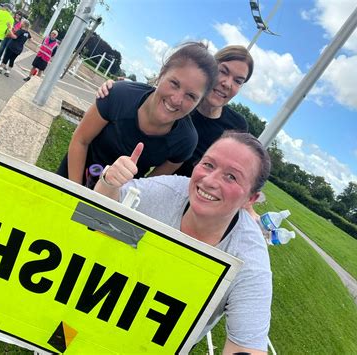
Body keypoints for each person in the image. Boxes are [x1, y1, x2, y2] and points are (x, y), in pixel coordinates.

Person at [95, 131, 272, 354]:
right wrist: (109, 182)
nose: (209, 181)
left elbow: (247, 346)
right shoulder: (165, 191)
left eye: (231, 177)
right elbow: (96, 219)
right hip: (102, 308)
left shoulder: (250, 260)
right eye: (208, 165)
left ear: (250, 199)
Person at [57, 42, 218, 188]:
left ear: (200, 102)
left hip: (117, 198)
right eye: (174, 83)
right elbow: (80, 141)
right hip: (73, 177)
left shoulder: (185, 140)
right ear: (162, 74)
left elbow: (149, 185)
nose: (176, 100)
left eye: (191, 96)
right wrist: (74, 192)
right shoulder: (119, 95)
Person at [97, 45, 254, 178]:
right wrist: (115, 88)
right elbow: (153, 93)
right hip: (133, 180)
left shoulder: (237, 126)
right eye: (223, 71)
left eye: (238, 81)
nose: (227, 83)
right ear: (210, 70)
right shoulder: (174, 107)